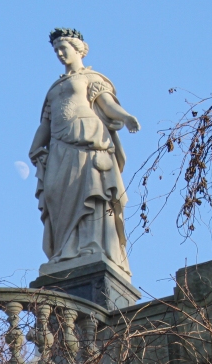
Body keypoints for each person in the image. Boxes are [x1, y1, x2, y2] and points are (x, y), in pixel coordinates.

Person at [29, 28, 139, 276]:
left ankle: (91, 245)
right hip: (59, 148)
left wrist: (127, 117)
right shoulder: (54, 88)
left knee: (92, 192)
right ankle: (64, 251)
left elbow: (107, 105)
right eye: (56, 49)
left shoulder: (92, 78)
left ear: (79, 49)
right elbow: (45, 124)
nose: (59, 53)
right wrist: (35, 147)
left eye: (63, 48)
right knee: (59, 198)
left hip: (89, 141)